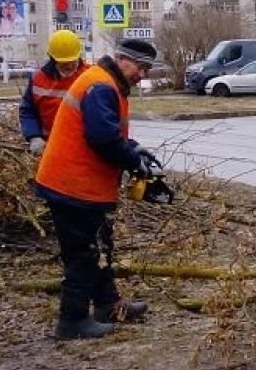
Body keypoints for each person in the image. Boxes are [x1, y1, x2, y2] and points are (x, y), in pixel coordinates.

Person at [33, 39, 160, 339]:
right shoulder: (101, 86)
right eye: (139, 67)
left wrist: (134, 148)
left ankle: (108, 305)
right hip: (72, 186)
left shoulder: (106, 83)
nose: (142, 74)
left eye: (147, 69)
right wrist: (134, 162)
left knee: (101, 247)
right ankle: (72, 321)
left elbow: (108, 132)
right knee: (83, 254)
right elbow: (102, 139)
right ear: (121, 59)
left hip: (81, 186)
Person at [19, 30, 90, 157]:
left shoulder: (91, 76)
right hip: (50, 148)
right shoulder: (38, 79)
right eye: (64, 64)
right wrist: (34, 136)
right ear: (52, 59)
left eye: (72, 62)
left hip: (83, 149)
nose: (69, 67)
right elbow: (28, 111)